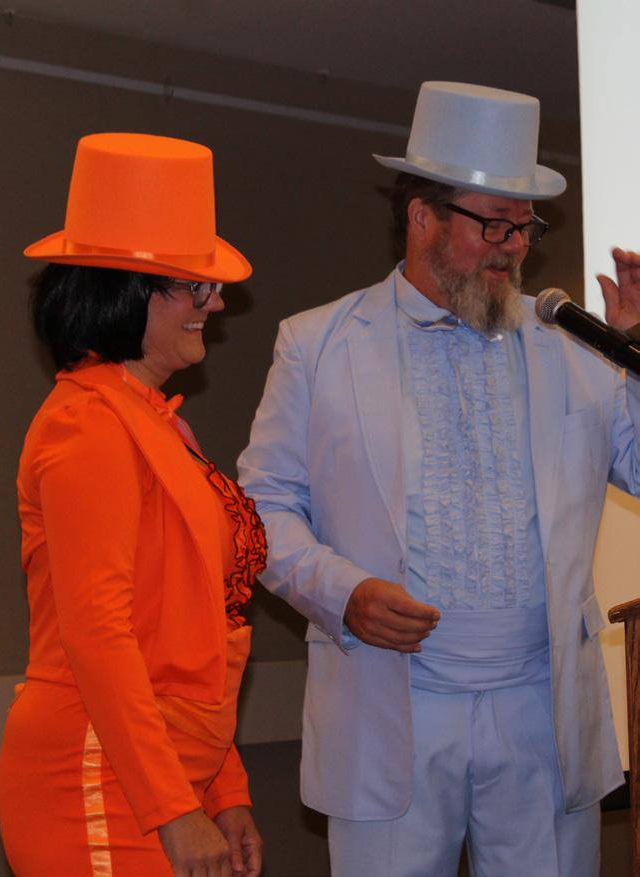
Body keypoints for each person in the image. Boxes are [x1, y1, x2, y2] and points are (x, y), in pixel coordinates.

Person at [237, 81, 640, 877]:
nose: (513, 247)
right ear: (421, 217)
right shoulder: (316, 344)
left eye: (525, 227)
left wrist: (632, 359)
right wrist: (343, 591)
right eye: (493, 224)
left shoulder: (576, 346)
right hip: (390, 701)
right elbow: (262, 506)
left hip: (542, 707)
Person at [0, 132, 265, 877]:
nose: (215, 302)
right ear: (124, 291)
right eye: (194, 286)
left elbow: (195, 635)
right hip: (99, 777)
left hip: (155, 778)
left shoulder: (149, 417)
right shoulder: (89, 422)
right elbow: (99, 634)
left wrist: (223, 790)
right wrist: (175, 807)